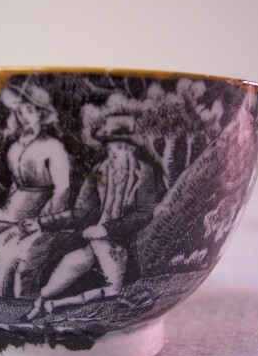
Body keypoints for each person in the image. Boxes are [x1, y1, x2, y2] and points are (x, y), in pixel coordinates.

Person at [24, 114, 158, 320]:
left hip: (119, 244)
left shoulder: (144, 173)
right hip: (93, 241)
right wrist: (41, 222)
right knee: (67, 267)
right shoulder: (99, 171)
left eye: (119, 147)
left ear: (131, 149)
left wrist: (106, 229)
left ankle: (55, 305)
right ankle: (41, 303)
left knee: (112, 288)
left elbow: (143, 214)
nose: (113, 153)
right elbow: (81, 212)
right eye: (110, 147)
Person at [0, 82, 70, 294]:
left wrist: (48, 220)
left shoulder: (53, 147)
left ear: (40, 113)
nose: (24, 116)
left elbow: (63, 189)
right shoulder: (15, 147)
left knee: (3, 243)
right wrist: (8, 206)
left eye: (30, 110)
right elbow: (15, 184)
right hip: (14, 207)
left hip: (41, 209)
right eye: (20, 111)